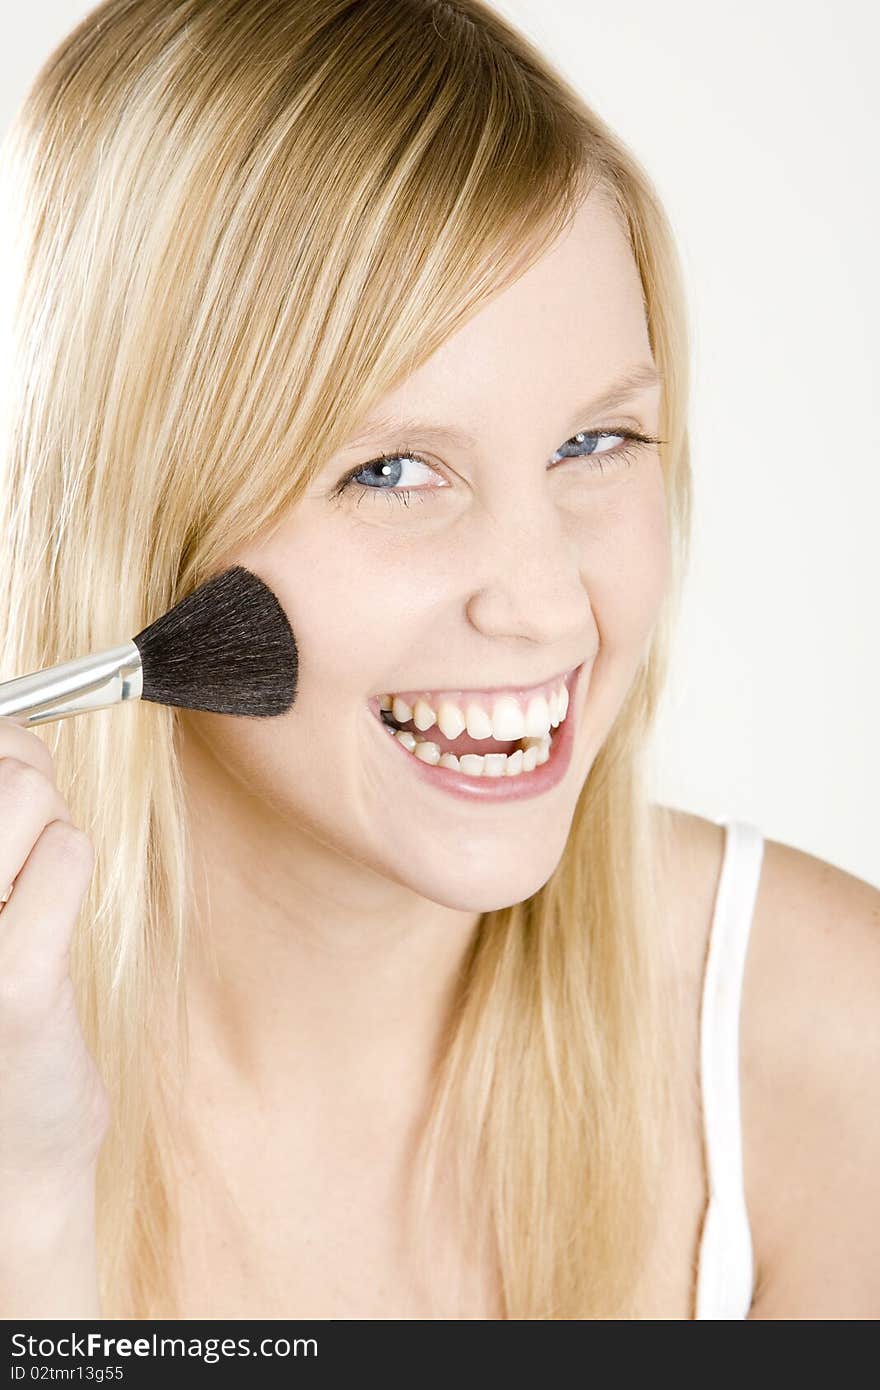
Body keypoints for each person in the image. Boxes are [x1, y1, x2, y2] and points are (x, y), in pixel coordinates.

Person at [0, 0, 877, 1321]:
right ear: (139, 517)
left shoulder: (822, 1042)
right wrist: (35, 1210)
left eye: (596, 445)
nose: (542, 603)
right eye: (392, 469)